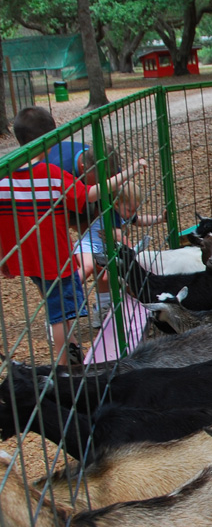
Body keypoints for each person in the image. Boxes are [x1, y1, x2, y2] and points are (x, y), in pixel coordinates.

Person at [0, 109, 144, 366]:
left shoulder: (4, 177)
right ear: (52, 138)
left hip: (26, 259)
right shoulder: (52, 175)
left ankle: (72, 348)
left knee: (58, 303)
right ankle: (63, 368)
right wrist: (129, 172)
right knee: (61, 315)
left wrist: (4, 258)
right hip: (54, 260)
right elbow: (90, 194)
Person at [74, 177, 166, 313]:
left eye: (135, 210)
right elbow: (118, 236)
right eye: (130, 210)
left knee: (107, 276)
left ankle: (108, 306)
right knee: (87, 267)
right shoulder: (112, 214)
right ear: (116, 204)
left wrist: (160, 219)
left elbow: (139, 220)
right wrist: (132, 253)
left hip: (102, 250)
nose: (133, 214)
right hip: (87, 246)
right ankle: (68, 290)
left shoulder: (124, 212)